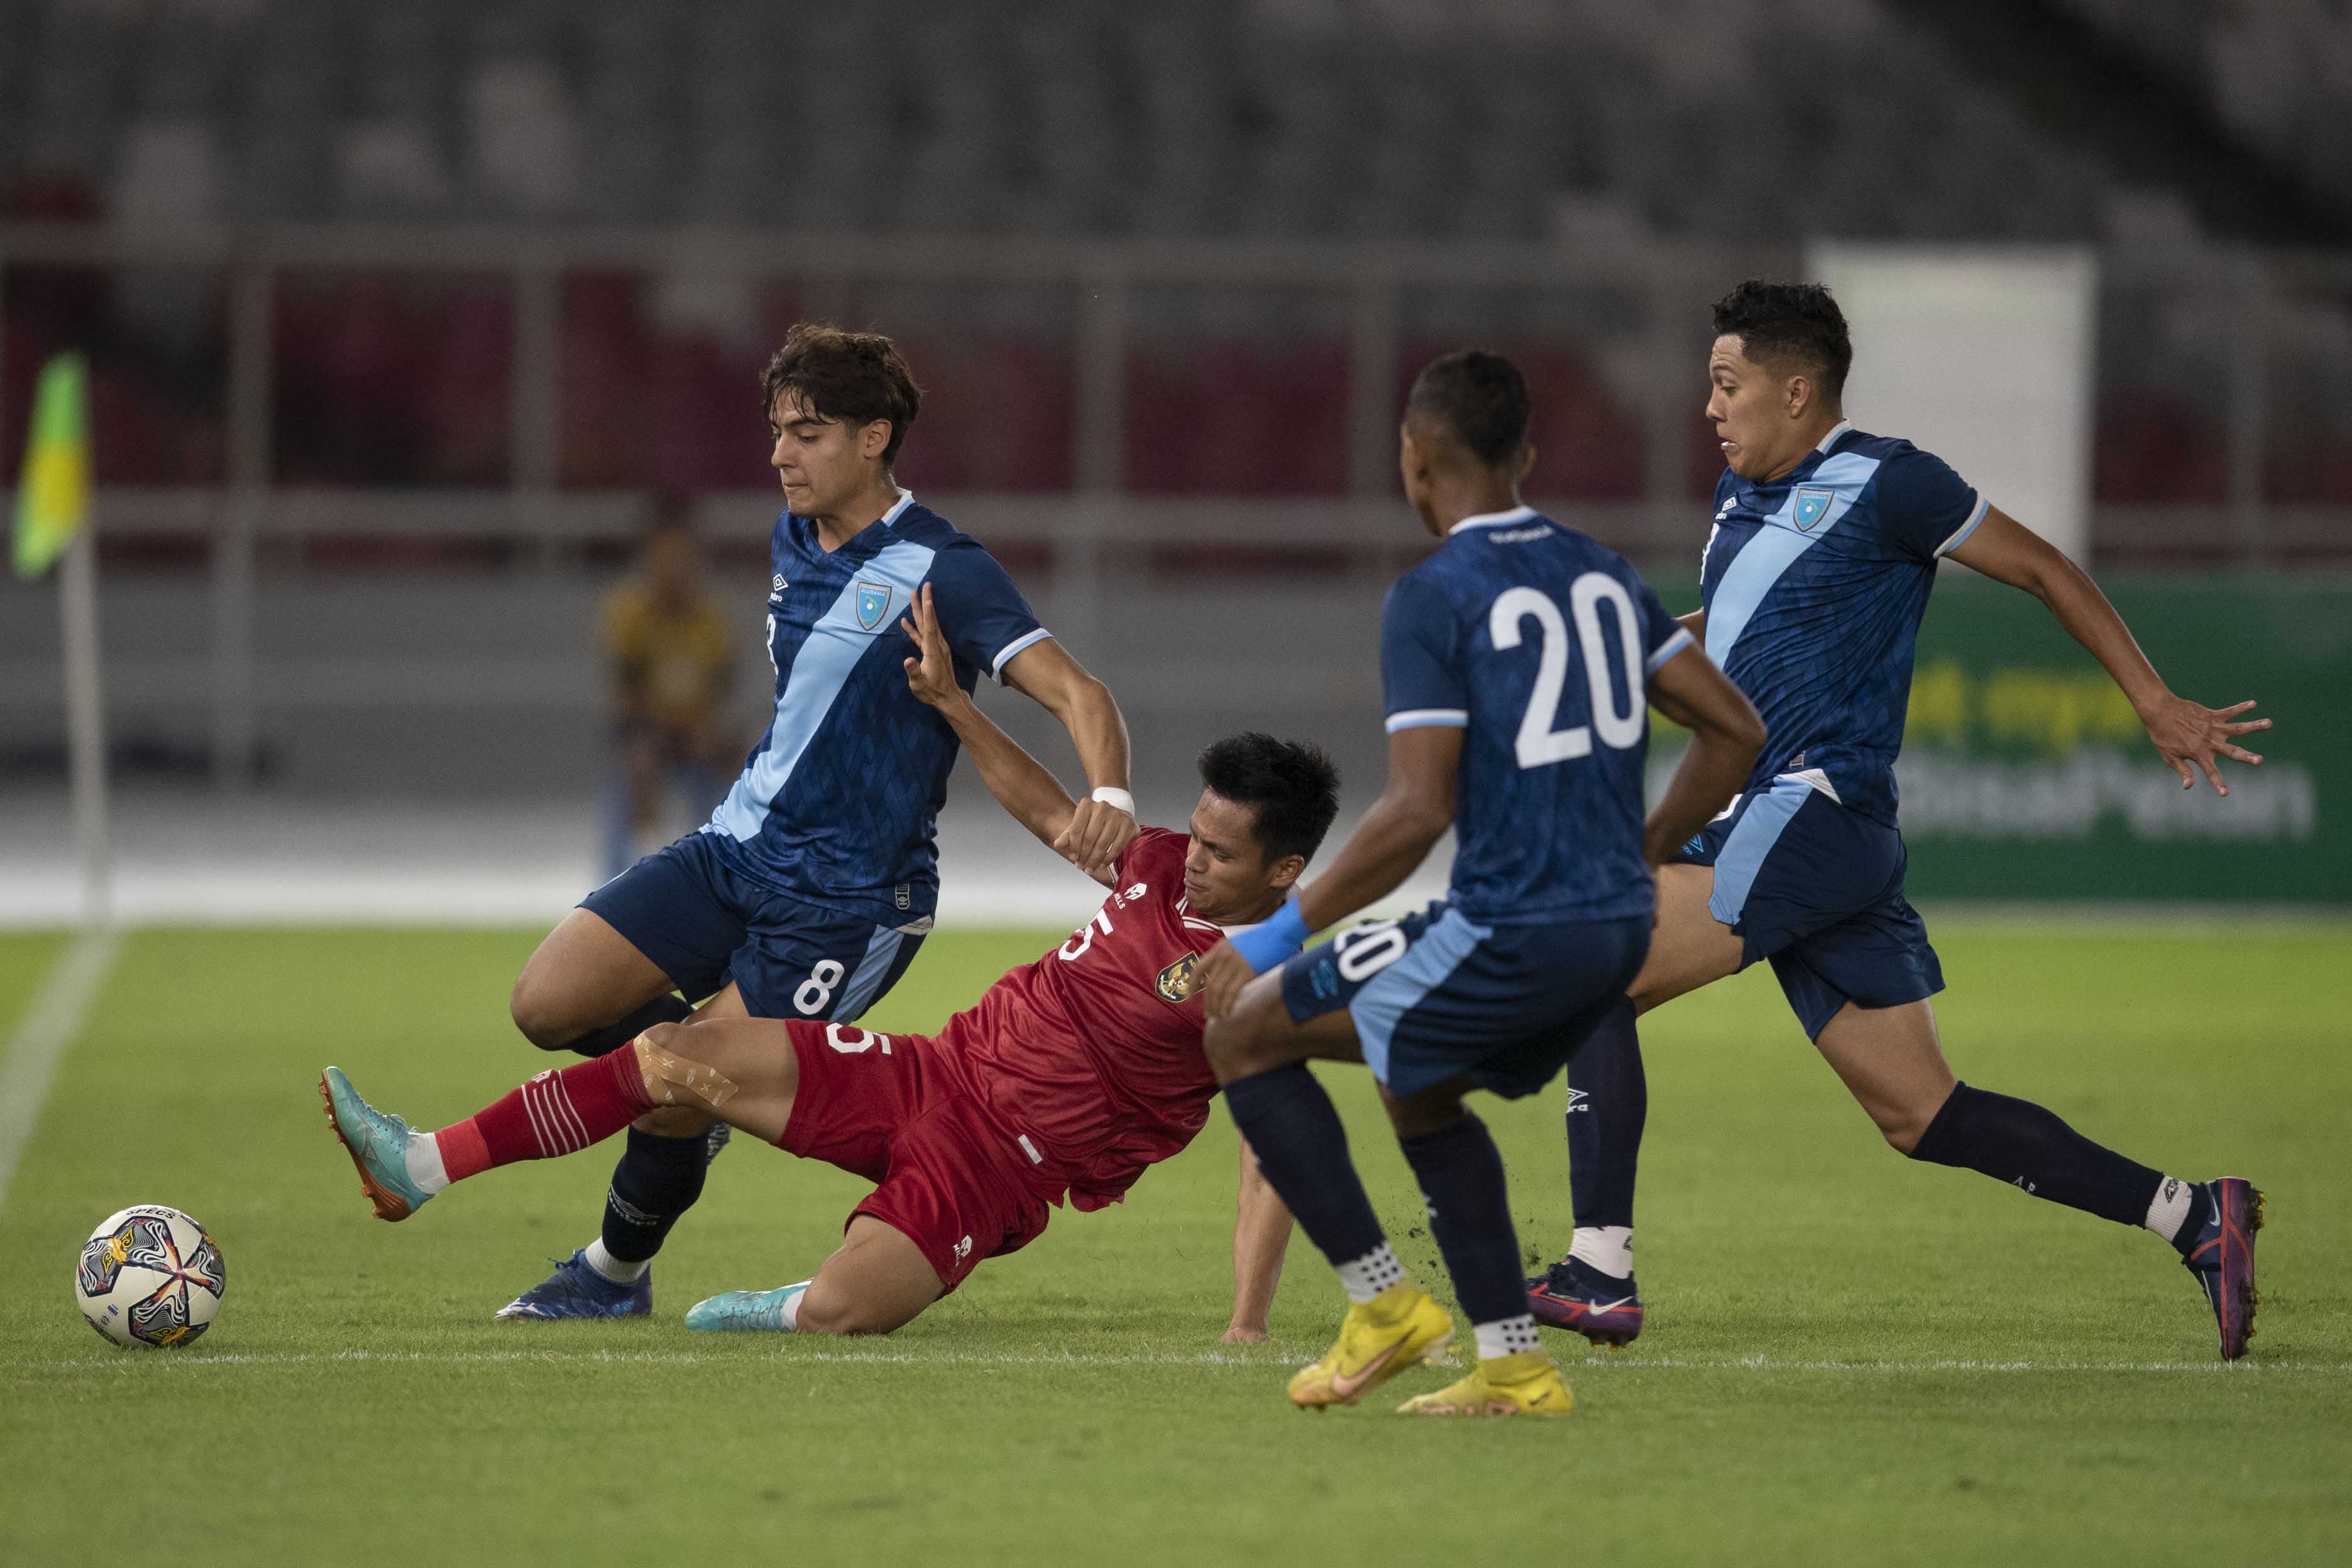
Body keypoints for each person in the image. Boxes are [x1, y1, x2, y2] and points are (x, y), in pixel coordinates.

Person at [1526, 280, 2270, 1361]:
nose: (1709, 410)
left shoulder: (1891, 482)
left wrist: (2151, 700)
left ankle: (1598, 1270)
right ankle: (2196, 1217)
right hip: (1817, 839)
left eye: (1726, 386)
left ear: (1796, 389)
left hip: (1807, 810)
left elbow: (2043, 569)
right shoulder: (1740, 508)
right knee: (1922, 1115)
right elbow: (1724, 639)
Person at [319, 585, 1329, 1337]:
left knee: (843, 1314)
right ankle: (422, 1163)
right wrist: (951, 703)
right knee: (677, 1050)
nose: (1190, 859)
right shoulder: (1153, 867)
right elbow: (1051, 811)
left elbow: (1270, 1156)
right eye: (1195, 834)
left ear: (1284, 869)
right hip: (927, 1072)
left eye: (1220, 851)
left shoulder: (1263, 986)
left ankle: (788, 1298)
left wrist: (1247, 1319)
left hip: (998, 1170)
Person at [495, 324, 1140, 1320]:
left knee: (680, 1079)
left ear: (875, 437)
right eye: (776, 430)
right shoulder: (792, 535)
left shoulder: (944, 567)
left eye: (807, 432)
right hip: (735, 849)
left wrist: (1110, 797)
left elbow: (1081, 692)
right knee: (546, 1002)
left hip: (850, 899)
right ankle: (705, 1084)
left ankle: (611, 1275)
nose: (779, 454)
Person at [1189, 350, 1764, 1417]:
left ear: (1412, 460)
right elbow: (1735, 729)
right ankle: (1512, 1365)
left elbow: (1416, 809)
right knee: (1418, 1084)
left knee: (1245, 1035)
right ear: (1526, 458)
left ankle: (1384, 1306)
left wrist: (1272, 938)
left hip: (1509, 926)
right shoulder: (1601, 572)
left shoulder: (1435, 596)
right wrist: (1647, 848)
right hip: (1613, 935)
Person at [601, 499, 740, 874]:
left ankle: (726, 866)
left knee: (745, 761)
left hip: (698, 731)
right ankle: (620, 876)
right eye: (665, 555)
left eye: (683, 556)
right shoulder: (628, 613)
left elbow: (720, 687)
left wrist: (705, 731)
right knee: (638, 762)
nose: (675, 566)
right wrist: (657, 731)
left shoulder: (711, 617)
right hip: (647, 730)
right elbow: (627, 691)